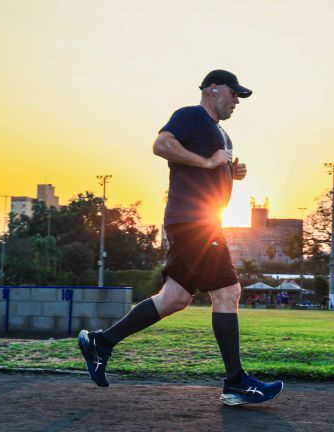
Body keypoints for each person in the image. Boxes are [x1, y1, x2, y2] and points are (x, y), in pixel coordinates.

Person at [77, 69, 284, 406]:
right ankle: (236, 383)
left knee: (174, 298)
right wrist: (208, 162)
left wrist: (230, 171)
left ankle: (102, 342)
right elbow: (162, 145)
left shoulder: (221, 133)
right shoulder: (191, 116)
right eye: (234, 94)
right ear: (213, 89)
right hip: (195, 221)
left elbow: (210, 166)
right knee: (228, 291)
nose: (236, 101)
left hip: (197, 221)